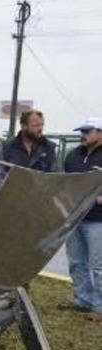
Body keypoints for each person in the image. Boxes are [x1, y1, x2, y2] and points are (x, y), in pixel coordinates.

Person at [61, 118, 102, 321]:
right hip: (75, 217)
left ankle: (100, 307)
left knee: (98, 265)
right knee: (76, 261)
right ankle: (82, 300)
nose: (82, 135)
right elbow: (65, 183)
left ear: (100, 132)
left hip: (98, 220)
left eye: (87, 131)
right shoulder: (73, 155)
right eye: (81, 131)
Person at [0, 110, 56, 189]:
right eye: (36, 125)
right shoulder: (7, 147)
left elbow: (57, 176)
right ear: (23, 126)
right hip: (14, 197)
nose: (40, 129)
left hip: (41, 197)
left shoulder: (48, 147)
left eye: (42, 125)